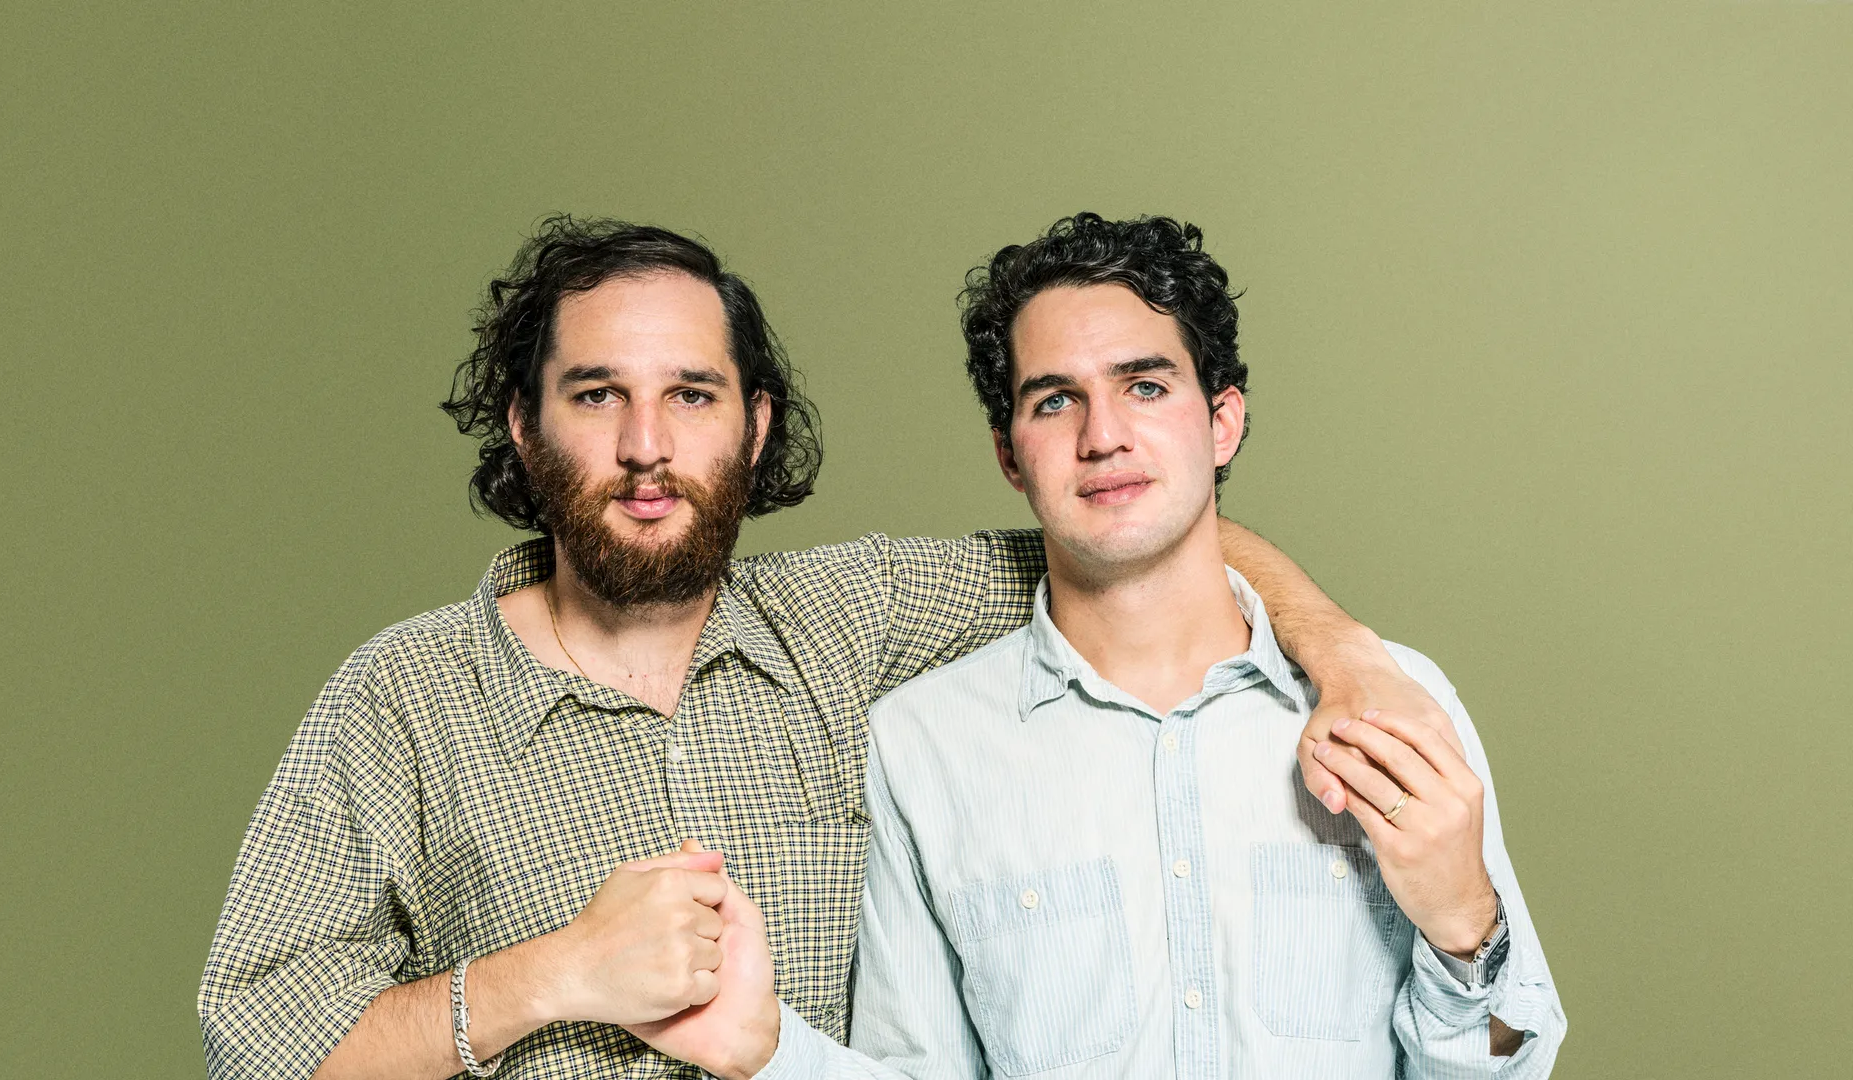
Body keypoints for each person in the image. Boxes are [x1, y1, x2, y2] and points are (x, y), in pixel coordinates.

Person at [198, 216, 1449, 1080]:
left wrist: (1345, 656)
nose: (646, 446)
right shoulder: (403, 699)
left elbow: (1138, 526)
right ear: (524, 429)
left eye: (691, 395)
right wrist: (557, 975)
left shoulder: (857, 622)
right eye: (597, 395)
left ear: (754, 428)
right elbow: (259, 1047)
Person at [635, 214, 1566, 1079]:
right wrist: (769, 1051)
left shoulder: (1388, 700)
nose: (1104, 436)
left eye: (1145, 386)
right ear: (1010, 455)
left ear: (1223, 421)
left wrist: (1464, 924)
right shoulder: (925, 744)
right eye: (1054, 402)